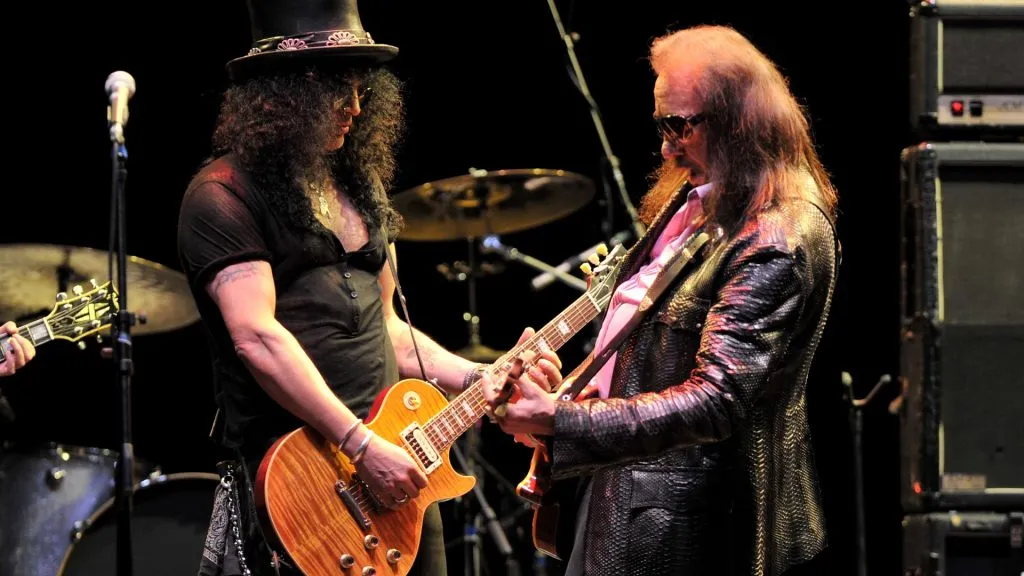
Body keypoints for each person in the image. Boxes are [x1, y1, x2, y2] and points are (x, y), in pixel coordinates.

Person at [176, 1, 560, 575]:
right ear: (286, 96)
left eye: (361, 89)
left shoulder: (357, 189)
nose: (355, 107)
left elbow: (387, 330)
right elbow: (256, 336)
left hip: (396, 472)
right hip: (303, 488)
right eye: (337, 91)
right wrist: (359, 444)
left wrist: (481, 379)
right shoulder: (222, 194)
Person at [482, 24, 840, 576]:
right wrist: (571, 388)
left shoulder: (777, 235)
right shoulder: (702, 203)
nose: (666, 145)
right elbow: (645, 357)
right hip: (629, 501)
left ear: (737, 121)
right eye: (661, 124)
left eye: (679, 125)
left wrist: (562, 420)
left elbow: (716, 400)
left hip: (685, 528)